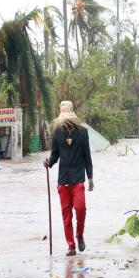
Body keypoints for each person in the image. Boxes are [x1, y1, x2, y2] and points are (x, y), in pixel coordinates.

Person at [44, 101, 94, 256]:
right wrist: (49, 162)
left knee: (80, 209)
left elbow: (87, 157)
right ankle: (71, 246)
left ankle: (79, 235)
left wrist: (90, 177)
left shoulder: (82, 132)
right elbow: (55, 154)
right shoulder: (57, 132)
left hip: (78, 178)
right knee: (66, 215)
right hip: (63, 180)